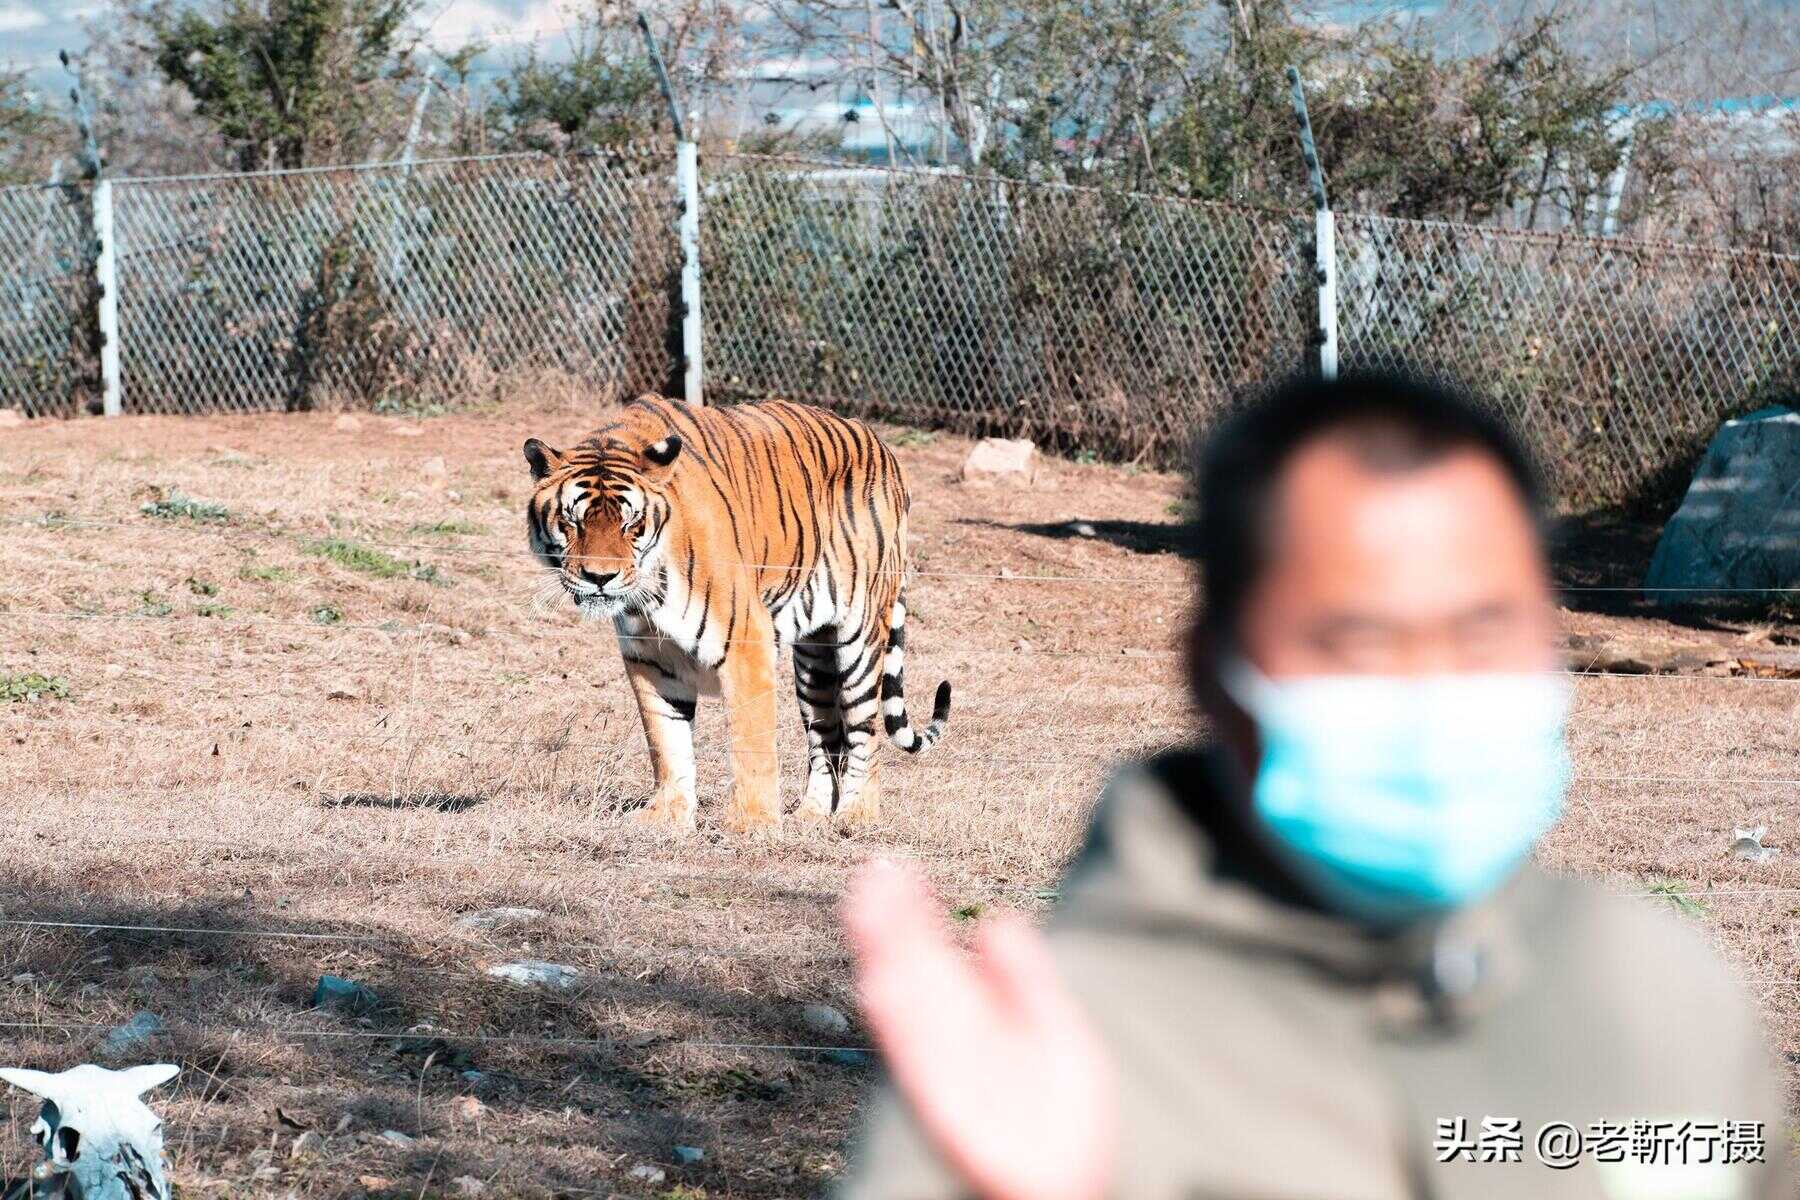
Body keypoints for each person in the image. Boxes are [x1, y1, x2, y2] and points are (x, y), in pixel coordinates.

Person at [834, 369, 1791, 1200]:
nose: (1434, 693)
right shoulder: (1050, 1056)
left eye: (1486, 632)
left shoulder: (1651, 980)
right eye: (1358, 642)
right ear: (1211, 670)